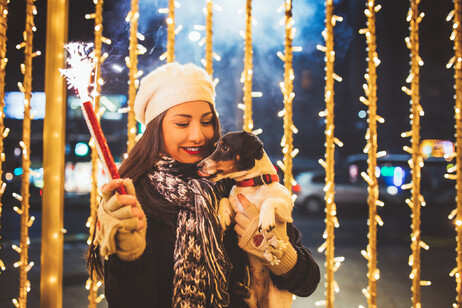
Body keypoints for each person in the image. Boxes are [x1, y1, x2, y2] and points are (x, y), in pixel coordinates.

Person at [87, 62, 320, 307]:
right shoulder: (135, 199)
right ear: (156, 129)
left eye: (206, 121)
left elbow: (308, 282)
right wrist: (129, 256)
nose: (198, 135)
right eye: (182, 123)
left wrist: (278, 252)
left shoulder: (237, 187)